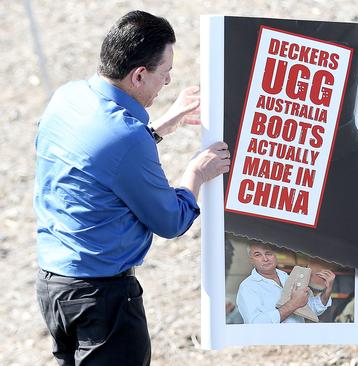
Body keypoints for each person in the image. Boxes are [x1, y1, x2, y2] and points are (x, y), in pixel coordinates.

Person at [34, 11, 230, 366]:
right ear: (139, 74)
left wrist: (157, 129)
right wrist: (196, 173)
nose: (168, 81)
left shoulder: (68, 97)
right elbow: (171, 221)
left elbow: (97, 163)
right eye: (165, 73)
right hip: (102, 299)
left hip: (53, 289)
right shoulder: (126, 139)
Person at [236, 242, 335, 323]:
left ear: (275, 256)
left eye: (268, 253)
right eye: (258, 255)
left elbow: (312, 309)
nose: (265, 259)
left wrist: (328, 290)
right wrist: (293, 304)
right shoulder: (248, 287)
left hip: (298, 341)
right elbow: (256, 323)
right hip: (273, 345)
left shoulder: (289, 277)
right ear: (251, 261)